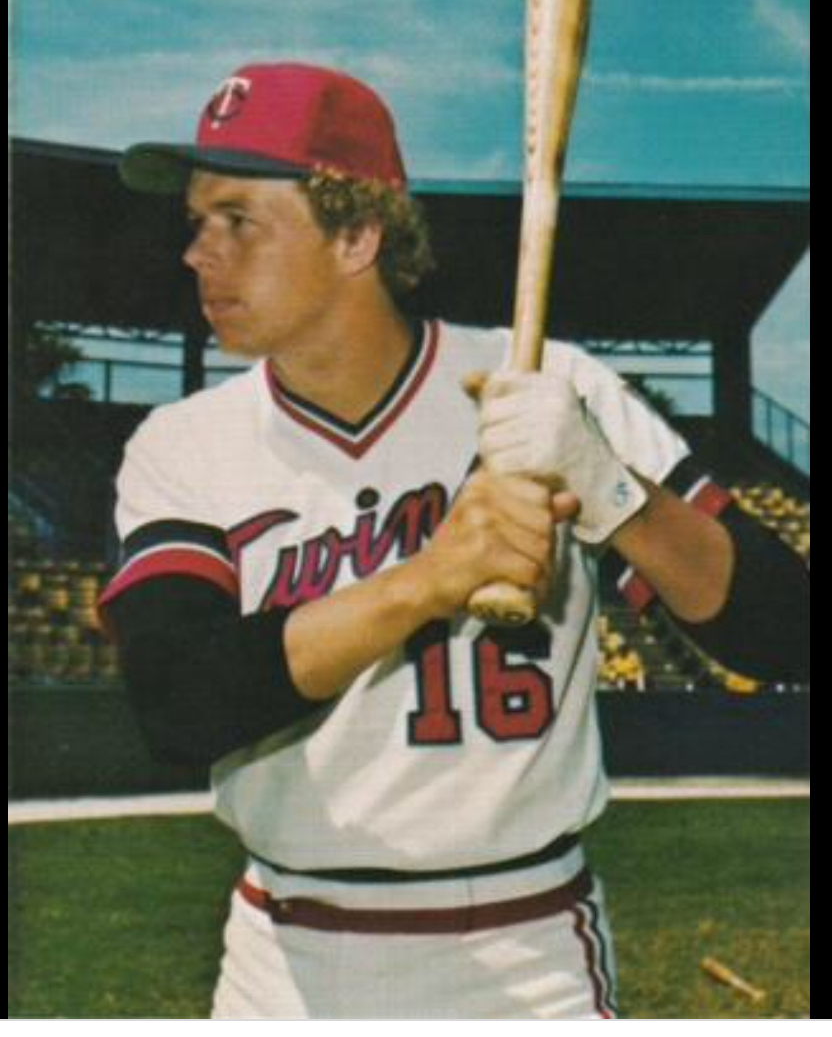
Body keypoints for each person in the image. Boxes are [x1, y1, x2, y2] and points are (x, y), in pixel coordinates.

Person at [100, 61, 809, 1020]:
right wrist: (430, 579)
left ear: (356, 235)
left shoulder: (544, 384)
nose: (197, 253)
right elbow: (179, 702)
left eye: (238, 220)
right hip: (285, 959)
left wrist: (612, 490)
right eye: (196, 221)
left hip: (525, 950)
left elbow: (783, 631)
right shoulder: (184, 443)